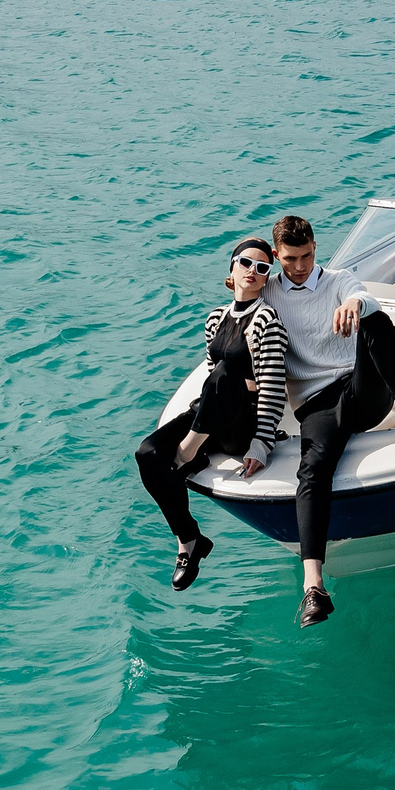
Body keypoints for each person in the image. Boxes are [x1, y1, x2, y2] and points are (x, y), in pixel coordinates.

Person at [266, 213, 395, 627]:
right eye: (290, 259)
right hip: (317, 405)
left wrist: (354, 303)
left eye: (307, 256)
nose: (300, 266)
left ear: (315, 249)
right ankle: (314, 588)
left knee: (376, 320)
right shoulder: (269, 294)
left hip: (361, 390)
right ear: (277, 256)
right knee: (312, 474)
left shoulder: (338, 279)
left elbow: (361, 295)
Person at [132, 238, 290, 590]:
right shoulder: (216, 317)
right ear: (232, 268)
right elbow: (209, 378)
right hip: (211, 414)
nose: (253, 271)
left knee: (225, 373)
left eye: (263, 268)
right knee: (147, 454)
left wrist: (262, 443)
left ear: (267, 278)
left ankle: (189, 454)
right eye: (246, 263)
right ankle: (189, 540)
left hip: (241, 423)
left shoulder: (268, 320)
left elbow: (273, 386)